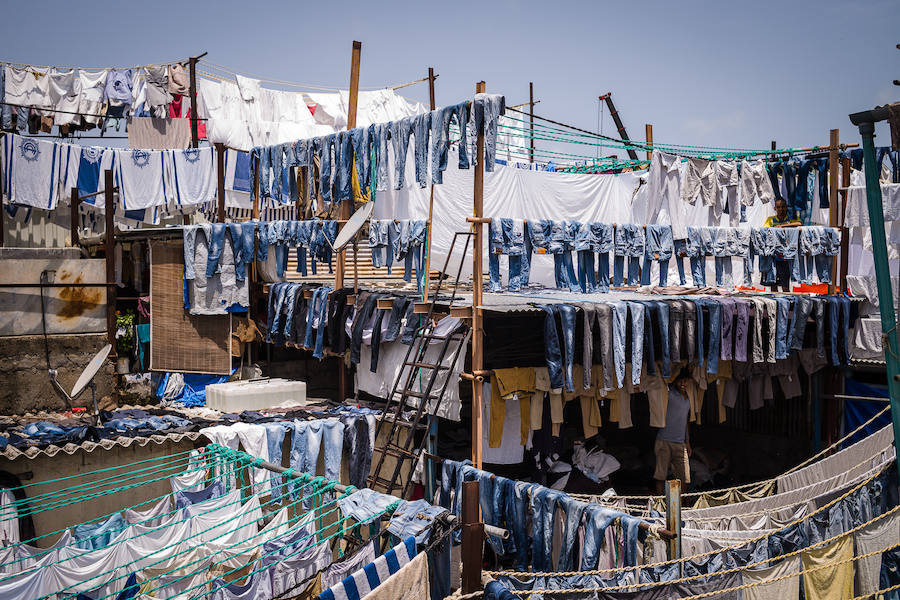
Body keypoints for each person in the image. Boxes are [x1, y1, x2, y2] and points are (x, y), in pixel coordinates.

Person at [654, 369, 692, 494]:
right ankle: (660, 504)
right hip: (664, 440)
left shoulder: (688, 398)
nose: (682, 383)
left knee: (685, 477)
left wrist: (687, 442)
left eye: (685, 381)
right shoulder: (669, 393)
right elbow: (661, 383)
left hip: (680, 443)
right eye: (680, 380)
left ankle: (683, 505)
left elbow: (685, 422)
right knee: (661, 475)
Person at [763, 197, 801, 292]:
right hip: (773, 256)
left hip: (785, 256)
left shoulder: (791, 219)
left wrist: (782, 226)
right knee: (773, 284)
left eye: (783, 207)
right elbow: (764, 230)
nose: (781, 209)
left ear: (786, 207)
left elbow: (799, 224)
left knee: (785, 285)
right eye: (778, 207)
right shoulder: (770, 220)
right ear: (775, 208)